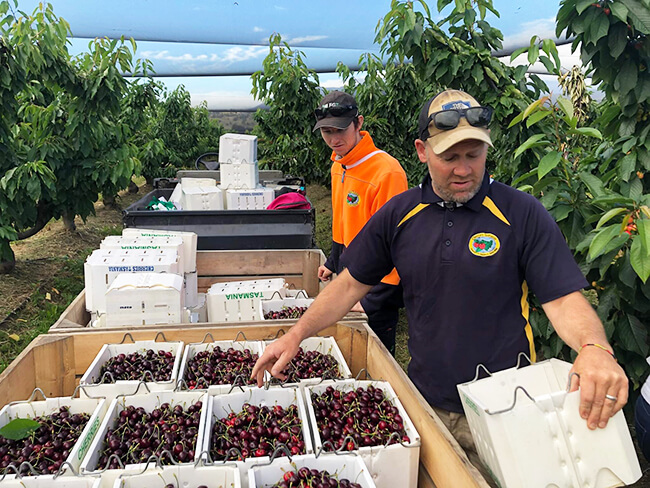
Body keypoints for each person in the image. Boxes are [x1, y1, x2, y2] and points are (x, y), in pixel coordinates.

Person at [252, 89, 628, 481]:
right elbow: (348, 285)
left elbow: (563, 298)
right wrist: (295, 335)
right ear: (421, 150)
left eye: (474, 154)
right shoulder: (401, 214)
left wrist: (594, 347)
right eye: (449, 157)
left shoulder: (521, 213)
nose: (464, 169)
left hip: (507, 405)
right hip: (427, 403)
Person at [313, 90, 408, 355]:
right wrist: (333, 260)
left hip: (375, 288)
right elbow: (342, 218)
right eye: (326, 131)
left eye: (340, 130)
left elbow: (398, 243)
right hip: (349, 277)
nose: (333, 139)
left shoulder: (386, 172)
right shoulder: (339, 164)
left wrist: (373, 299)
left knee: (374, 358)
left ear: (359, 123)